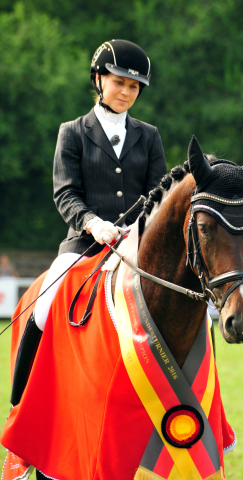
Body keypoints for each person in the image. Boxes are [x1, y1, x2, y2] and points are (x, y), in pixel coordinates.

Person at [10, 40, 167, 412]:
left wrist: (136, 228)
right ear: (99, 80)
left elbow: (158, 194)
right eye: (119, 83)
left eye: (134, 87)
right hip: (83, 245)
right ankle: (22, 401)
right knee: (44, 307)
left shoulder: (150, 135)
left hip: (136, 245)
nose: (127, 92)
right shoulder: (73, 132)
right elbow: (65, 192)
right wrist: (92, 223)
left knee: (196, 312)